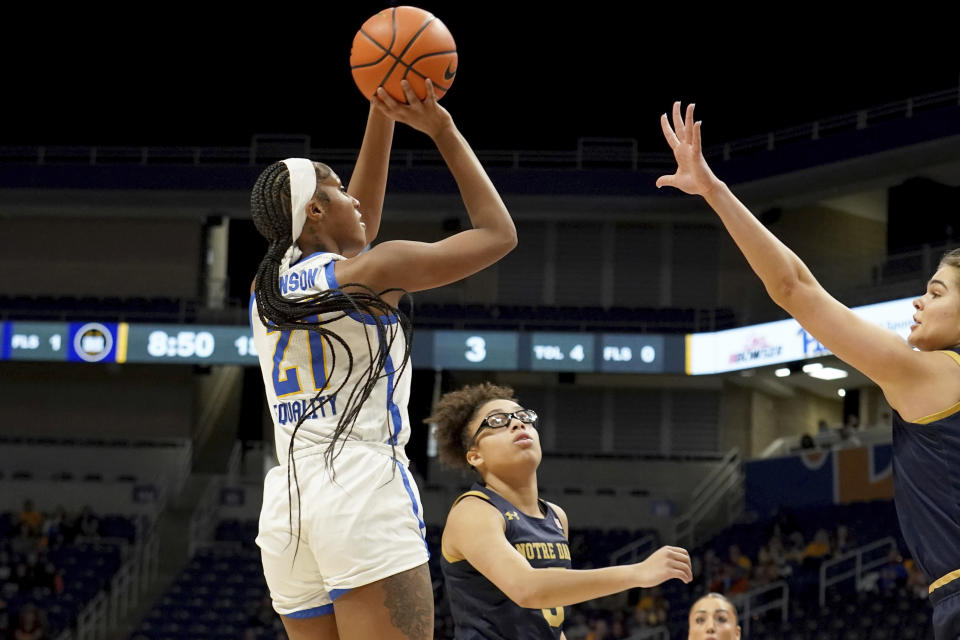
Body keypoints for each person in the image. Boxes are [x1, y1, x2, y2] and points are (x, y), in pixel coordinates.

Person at [658, 100, 960, 640]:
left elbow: (793, 287)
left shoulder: (935, 375)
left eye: (935, 292)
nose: (919, 302)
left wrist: (714, 190)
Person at [249, 79, 517, 640]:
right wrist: (442, 129)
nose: (356, 200)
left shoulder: (266, 286)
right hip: (360, 487)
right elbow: (498, 235)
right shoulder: (371, 273)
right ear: (316, 209)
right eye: (340, 190)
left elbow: (354, 223)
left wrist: (382, 113)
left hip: (289, 502)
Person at [429, 382, 692, 639]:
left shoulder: (556, 517)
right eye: (497, 421)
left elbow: (548, 621)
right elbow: (527, 589)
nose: (518, 423)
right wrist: (637, 573)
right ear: (475, 456)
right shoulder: (474, 510)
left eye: (523, 416)